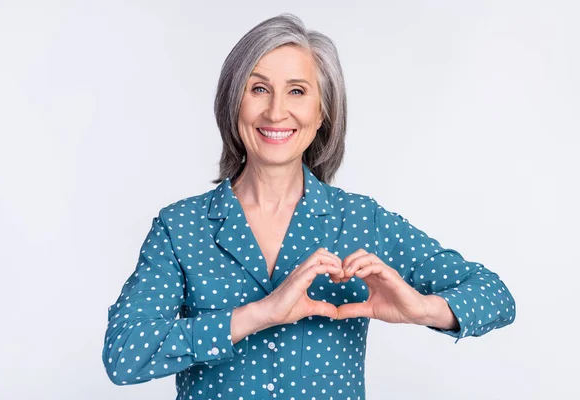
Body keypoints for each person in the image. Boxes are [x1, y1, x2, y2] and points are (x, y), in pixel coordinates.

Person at [102, 13, 516, 399]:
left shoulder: (360, 220)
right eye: (259, 88)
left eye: (297, 91)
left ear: (322, 112)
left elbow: (495, 297)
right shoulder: (182, 227)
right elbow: (124, 354)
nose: (276, 111)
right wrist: (257, 314)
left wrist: (422, 308)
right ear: (234, 102)